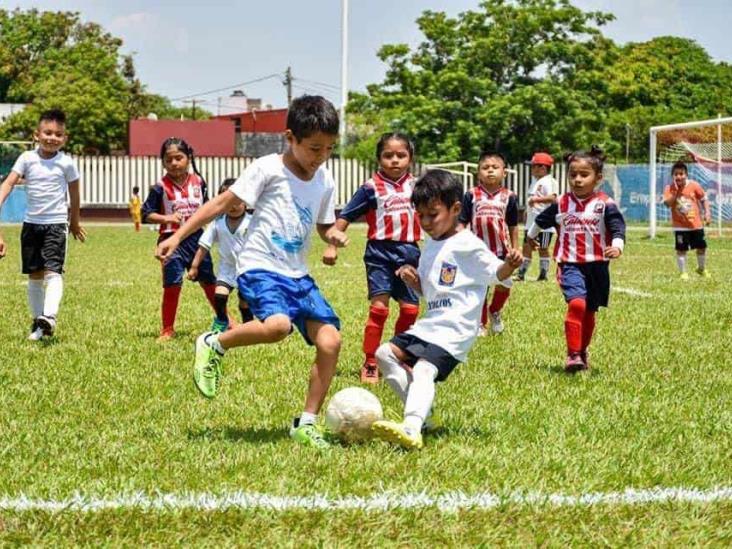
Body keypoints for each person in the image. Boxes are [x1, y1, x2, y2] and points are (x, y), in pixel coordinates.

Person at [155, 95, 348, 450]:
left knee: (330, 341)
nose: (320, 156)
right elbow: (218, 204)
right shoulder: (267, 168)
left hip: (298, 274)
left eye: (329, 149)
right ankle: (214, 342)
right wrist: (179, 236)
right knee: (277, 327)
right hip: (259, 265)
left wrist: (332, 236)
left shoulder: (325, 179)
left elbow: (323, 225)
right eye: (314, 148)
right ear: (290, 138)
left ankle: (306, 423)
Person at [370, 170, 521, 450]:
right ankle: (425, 417)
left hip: (456, 329)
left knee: (425, 370)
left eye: (433, 214)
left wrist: (510, 264)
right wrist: (415, 282)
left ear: (455, 209)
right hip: (432, 325)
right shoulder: (431, 244)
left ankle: (412, 428)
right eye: (421, 216)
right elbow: (431, 292)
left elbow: (497, 274)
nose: (426, 223)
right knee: (383, 354)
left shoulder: (468, 245)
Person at [322, 132, 421, 384]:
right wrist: (332, 246)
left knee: (410, 310)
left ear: (410, 158)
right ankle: (371, 360)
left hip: (410, 252)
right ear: (379, 159)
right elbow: (344, 218)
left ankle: (399, 357)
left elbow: (435, 215)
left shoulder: (419, 186)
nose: (395, 160)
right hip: (379, 253)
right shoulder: (370, 188)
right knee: (379, 309)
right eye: (388, 155)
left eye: (401, 155)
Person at [527, 146, 626, 373]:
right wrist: (530, 237)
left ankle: (582, 351)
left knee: (590, 311)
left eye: (584, 175)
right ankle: (572, 354)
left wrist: (617, 246)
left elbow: (618, 227)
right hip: (569, 263)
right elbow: (541, 220)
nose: (578, 180)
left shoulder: (605, 204)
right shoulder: (561, 203)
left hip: (598, 265)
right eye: (573, 175)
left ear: (598, 178)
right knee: (577, 303)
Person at [0, 108, 86, 340]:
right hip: (31, 225)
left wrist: (74, 221)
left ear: (64, 138)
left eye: (58, 134)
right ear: (37, 135)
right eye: (47, 133)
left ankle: (50, 316)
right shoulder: (26, 159)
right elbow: (8, 183)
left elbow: (75, 194)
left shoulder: (66, 163)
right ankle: (39, 324)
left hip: (55, 224)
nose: (52, 138)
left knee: (53, 271)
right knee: (34, 275)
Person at [141, 137, 219, 342]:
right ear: (163, 162)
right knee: (172, 283)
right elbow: (145, 213)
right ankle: (167, 329)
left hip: (197, 239)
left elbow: (207, 207)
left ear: (189, 158)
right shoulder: (160, 187)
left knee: (209, 281)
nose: (174, 163)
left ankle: (225, 319)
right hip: (170, 240)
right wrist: (167, 218)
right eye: (169, 160)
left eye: (179, 158)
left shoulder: (199, 182)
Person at [458, 151, 518, 335]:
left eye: (495, 167)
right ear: (478, 173)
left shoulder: (509, 196)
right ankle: (480, 323)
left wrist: (515, 248)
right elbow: (462, 221)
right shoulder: (471, 195)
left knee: (504, 284)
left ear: (504, 173)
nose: (490, 171)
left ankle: (495, 310)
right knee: (480, 286)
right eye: (485, 168)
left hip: (502, 250)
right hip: (477, 250)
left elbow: (513, 224)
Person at [189, 178, 253, 333]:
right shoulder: (217, 223)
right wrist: (194, 266)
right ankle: (222, 320)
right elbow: (204, 246)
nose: (233, 206)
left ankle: (248, 325)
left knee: (244, 301)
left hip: (248, 268)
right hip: (227, 268)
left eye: (237, 201)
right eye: (228, 202)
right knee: (219, 296)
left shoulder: (252, 222)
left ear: (246, 202)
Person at [662, 161, 711, 280]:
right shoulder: (669, 188)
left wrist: (707, 212)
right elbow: (667, 204)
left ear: (686, 175)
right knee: (681, 249)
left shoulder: (694, 185)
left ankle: (701, 269)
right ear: (673, 176)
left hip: (696, 225)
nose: (679, 176)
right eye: (676, 174)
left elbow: (703, 199)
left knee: (701, 247)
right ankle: (683, 272)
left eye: (681, 174)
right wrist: (675, 194)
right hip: (680, 226)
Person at [515, 152, 558, 281]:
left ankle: (543, 273)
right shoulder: (536, 182)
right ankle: (521, 272)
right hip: (531, 222)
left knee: (542, 248)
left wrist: (536, 200)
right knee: (527, 247)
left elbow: (553, 198)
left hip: (543, 224)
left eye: (534, 166)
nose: (532, 169)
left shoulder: (549, 181)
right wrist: (527, 213)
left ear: (543, 168)